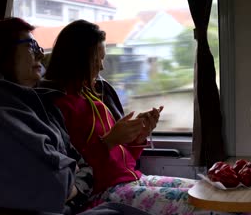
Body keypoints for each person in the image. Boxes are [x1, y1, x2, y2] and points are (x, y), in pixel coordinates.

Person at [0, 18, 149, 215]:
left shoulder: (38, 102)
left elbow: (81, 164)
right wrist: (75, 174)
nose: (40, 53)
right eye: (31, 46)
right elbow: (58, 184)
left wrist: (75, 176)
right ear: (2, 51)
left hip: (71, 203)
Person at [45, 20, 232, 215]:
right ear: (77, 59)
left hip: (132, 179)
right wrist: (109, 141)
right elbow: (74, 171)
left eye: (103, 59)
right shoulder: (60, 107)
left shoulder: (94, 99)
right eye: (96, 60)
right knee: (211, 207)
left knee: (214, 192)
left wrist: (139, 136)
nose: (101, 68)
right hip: (103, 192)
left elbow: (124, 161)